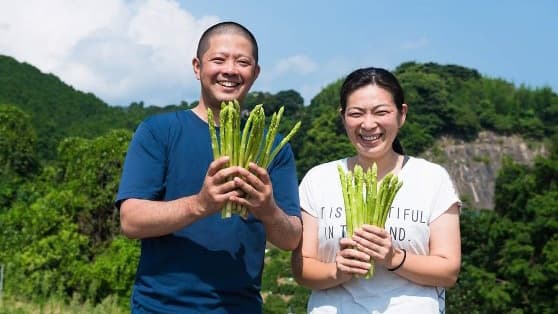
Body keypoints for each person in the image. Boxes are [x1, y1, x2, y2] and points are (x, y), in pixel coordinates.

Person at [116, 21, 302, 313]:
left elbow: (291, 238)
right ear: (197, 66)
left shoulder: (274, 147)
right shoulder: (158, 131)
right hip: (159, 308)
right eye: (218, 59)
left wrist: (267, 208)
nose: (230, 70)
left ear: (255, 72)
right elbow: (130, 221)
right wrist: (201, 204)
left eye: (242, 62)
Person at [291, 67, 461, 313]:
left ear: (401, 114)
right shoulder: (318, 179)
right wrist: (337, 271)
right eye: (356, 113)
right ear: (343, 117)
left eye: (381, 112)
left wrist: (393, 258)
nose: (368, 124)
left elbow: (448, 271)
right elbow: (302, 268)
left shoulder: (432, 178)